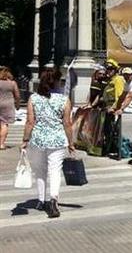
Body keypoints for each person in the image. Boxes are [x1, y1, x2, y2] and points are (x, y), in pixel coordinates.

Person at [20, 68, 75, 218]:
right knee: (55, 170)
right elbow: (67, 123)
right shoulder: (64, 100)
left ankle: (41, 200)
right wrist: (71, 142)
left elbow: (30, 122)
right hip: (57, 140)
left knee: (39, 171)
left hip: (37, 140)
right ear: (57, 82)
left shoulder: (34, 98)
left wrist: (25, 140)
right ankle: (53, 200)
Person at [102, 59, 126, 157]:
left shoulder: (118, 79)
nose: (108, 70)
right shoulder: (110, 80)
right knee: (108, 130)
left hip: (113, 109)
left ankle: (116, 149)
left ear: (115, 70)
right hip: (107, 108)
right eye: (107, 69)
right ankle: (110, 148)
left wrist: (115, 108)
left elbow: (119, 96)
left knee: (114, 130)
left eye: (111, 69)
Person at [0, 66, 20, 150]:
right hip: (8, 105)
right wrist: (17, 105)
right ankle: (1, 144)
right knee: (4, 124)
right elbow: (17, 95)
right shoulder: (12, 83)